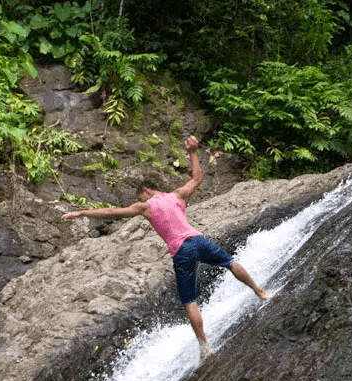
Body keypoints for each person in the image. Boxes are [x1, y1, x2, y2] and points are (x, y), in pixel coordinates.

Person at [63, 135, 268, 361]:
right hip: (197, 240)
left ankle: (205, 347)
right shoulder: (177, 195)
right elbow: (197, 178)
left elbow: (113, 212)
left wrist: (81, 212)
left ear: (147, 191)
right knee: (229, 263)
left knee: (190, 301)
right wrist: (193, 152)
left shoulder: (144, 206)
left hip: (180, 251)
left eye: (140, 195)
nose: (140, 199)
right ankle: (259, 292)